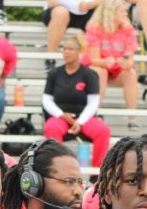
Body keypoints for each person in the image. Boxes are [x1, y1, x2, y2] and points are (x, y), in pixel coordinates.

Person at [42, 31, 111, 168]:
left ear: (79, 52)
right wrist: (61, 115)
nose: (66, 52)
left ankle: (97, 173)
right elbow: (47, 99)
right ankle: (56, 169)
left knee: (103, 131)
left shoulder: (89, 74)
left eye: (70, 49)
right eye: (64, 49)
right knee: (51, 127)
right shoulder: (54, 73)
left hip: (84, 118)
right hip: (61, 117)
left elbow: (93, 102)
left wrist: (79, 121)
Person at [85, 0, 138, 130]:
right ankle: (96, 113)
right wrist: (106, 61)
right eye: (122, 11)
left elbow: (130, 57)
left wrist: (126, 62)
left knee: (130, 73)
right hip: (100, 66)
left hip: (116, 69)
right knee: (100, 71)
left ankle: (132, 118)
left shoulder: (127, 29)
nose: (126, 13)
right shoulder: (95, 28)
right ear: (111, 12)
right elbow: (94, 59)